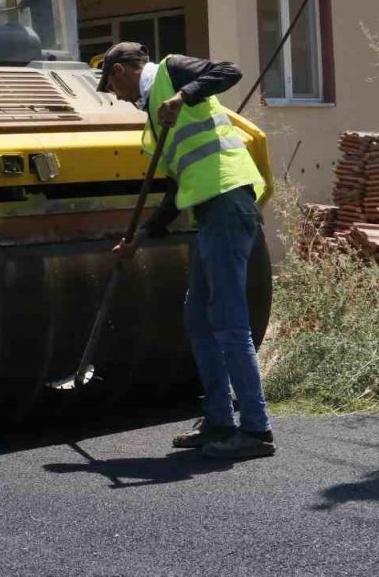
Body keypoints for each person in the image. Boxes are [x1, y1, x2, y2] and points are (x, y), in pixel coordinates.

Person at [97, 41, 275, 460]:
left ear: (120, 71)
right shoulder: (155, 121)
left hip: (229, 201)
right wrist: (141, 236)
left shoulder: (170, 72)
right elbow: (177, 187)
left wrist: (182, 95)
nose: (115, 96)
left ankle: (255, 429)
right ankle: (218, 420)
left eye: (110, 86)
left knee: (229, 322)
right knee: (198, 317)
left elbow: (229, 69)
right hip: (209, 212)